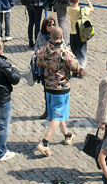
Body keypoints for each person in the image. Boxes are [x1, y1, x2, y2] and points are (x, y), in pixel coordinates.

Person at [35, 25, 81, 157]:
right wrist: (71, 53)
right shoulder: (64, 52)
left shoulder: (44, 49)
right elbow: (75, 67)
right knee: (57, 115)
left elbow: (39, 64)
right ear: (61, 37)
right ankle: (44, 142)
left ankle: (67, 135)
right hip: (61, 87)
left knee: (57, 112)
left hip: (48, 85)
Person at [66, 0, 94, 73]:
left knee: (74, 52)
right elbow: (92, 8)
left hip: (72, 33)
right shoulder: (82, 10)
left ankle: (75, 67)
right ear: (78, 0)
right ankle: (81, 68)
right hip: (81, 34)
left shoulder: (68, 9)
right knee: (82, 51)